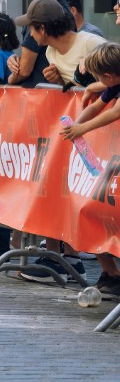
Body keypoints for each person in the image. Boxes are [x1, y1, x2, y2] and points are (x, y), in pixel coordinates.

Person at [61, 42, 120, 300]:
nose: (97, 82)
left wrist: (82, 130)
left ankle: (112, 274)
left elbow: (116, 111)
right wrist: (75, 124)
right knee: (91, 212)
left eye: (99, 78)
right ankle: (111, 275)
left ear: (108, 77)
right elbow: (98, 106)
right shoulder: (112, 84)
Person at [7, 0, 75, 86]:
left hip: (39, 93)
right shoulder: (66, 10)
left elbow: (24, 70)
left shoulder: (40, 13)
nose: (32, 33)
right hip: (61, 91)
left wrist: (10, 79)